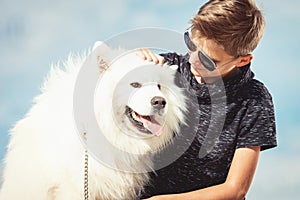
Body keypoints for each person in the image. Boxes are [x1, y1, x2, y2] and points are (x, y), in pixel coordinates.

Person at [138, 0, 277, 199]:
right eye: (191, 45)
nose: (193, 60)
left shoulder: (254, 100)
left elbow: (235, 190)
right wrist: (130, 61)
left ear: (243, 60)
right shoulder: (167, 69)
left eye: (208, 60)